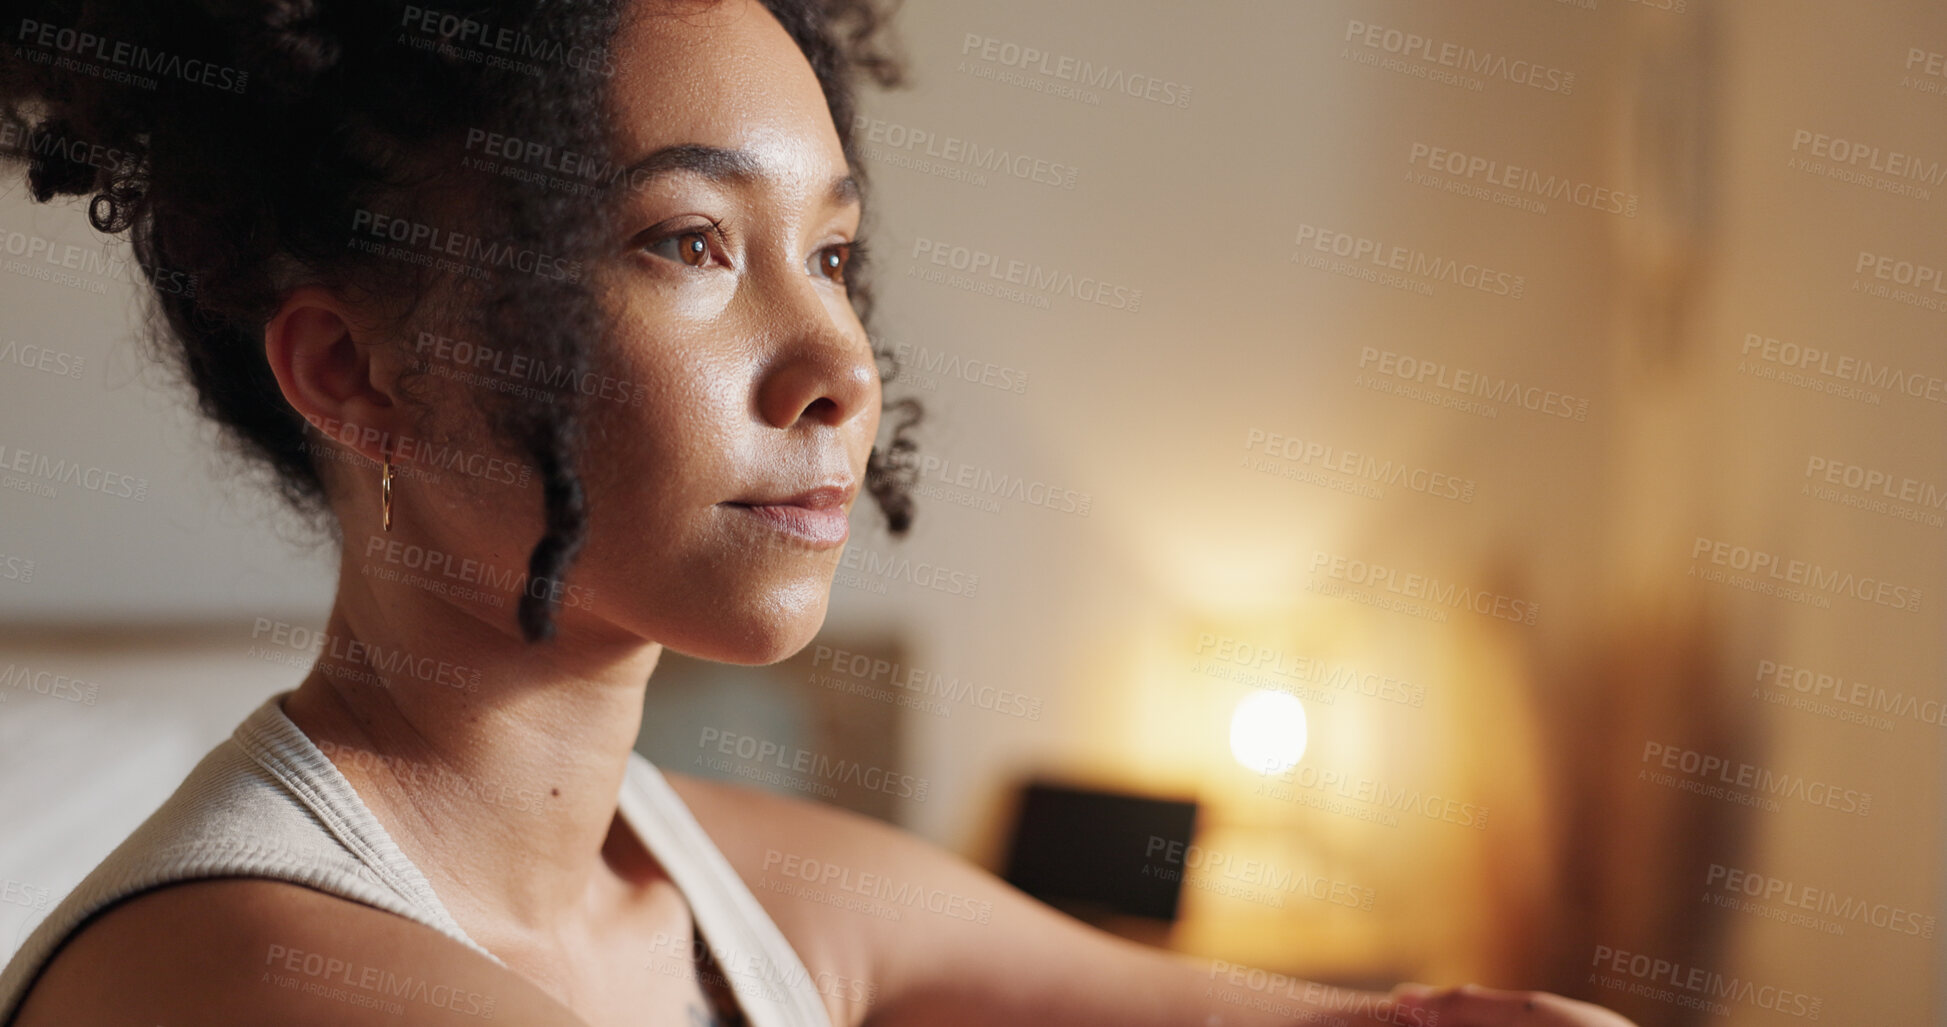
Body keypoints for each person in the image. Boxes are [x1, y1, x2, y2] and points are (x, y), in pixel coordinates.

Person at [0, 1, 1640, 1024]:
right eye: (689, 242)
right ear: (354, 370)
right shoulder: (246, 977)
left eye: (835, 256)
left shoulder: (728, 885)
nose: (837, 362)